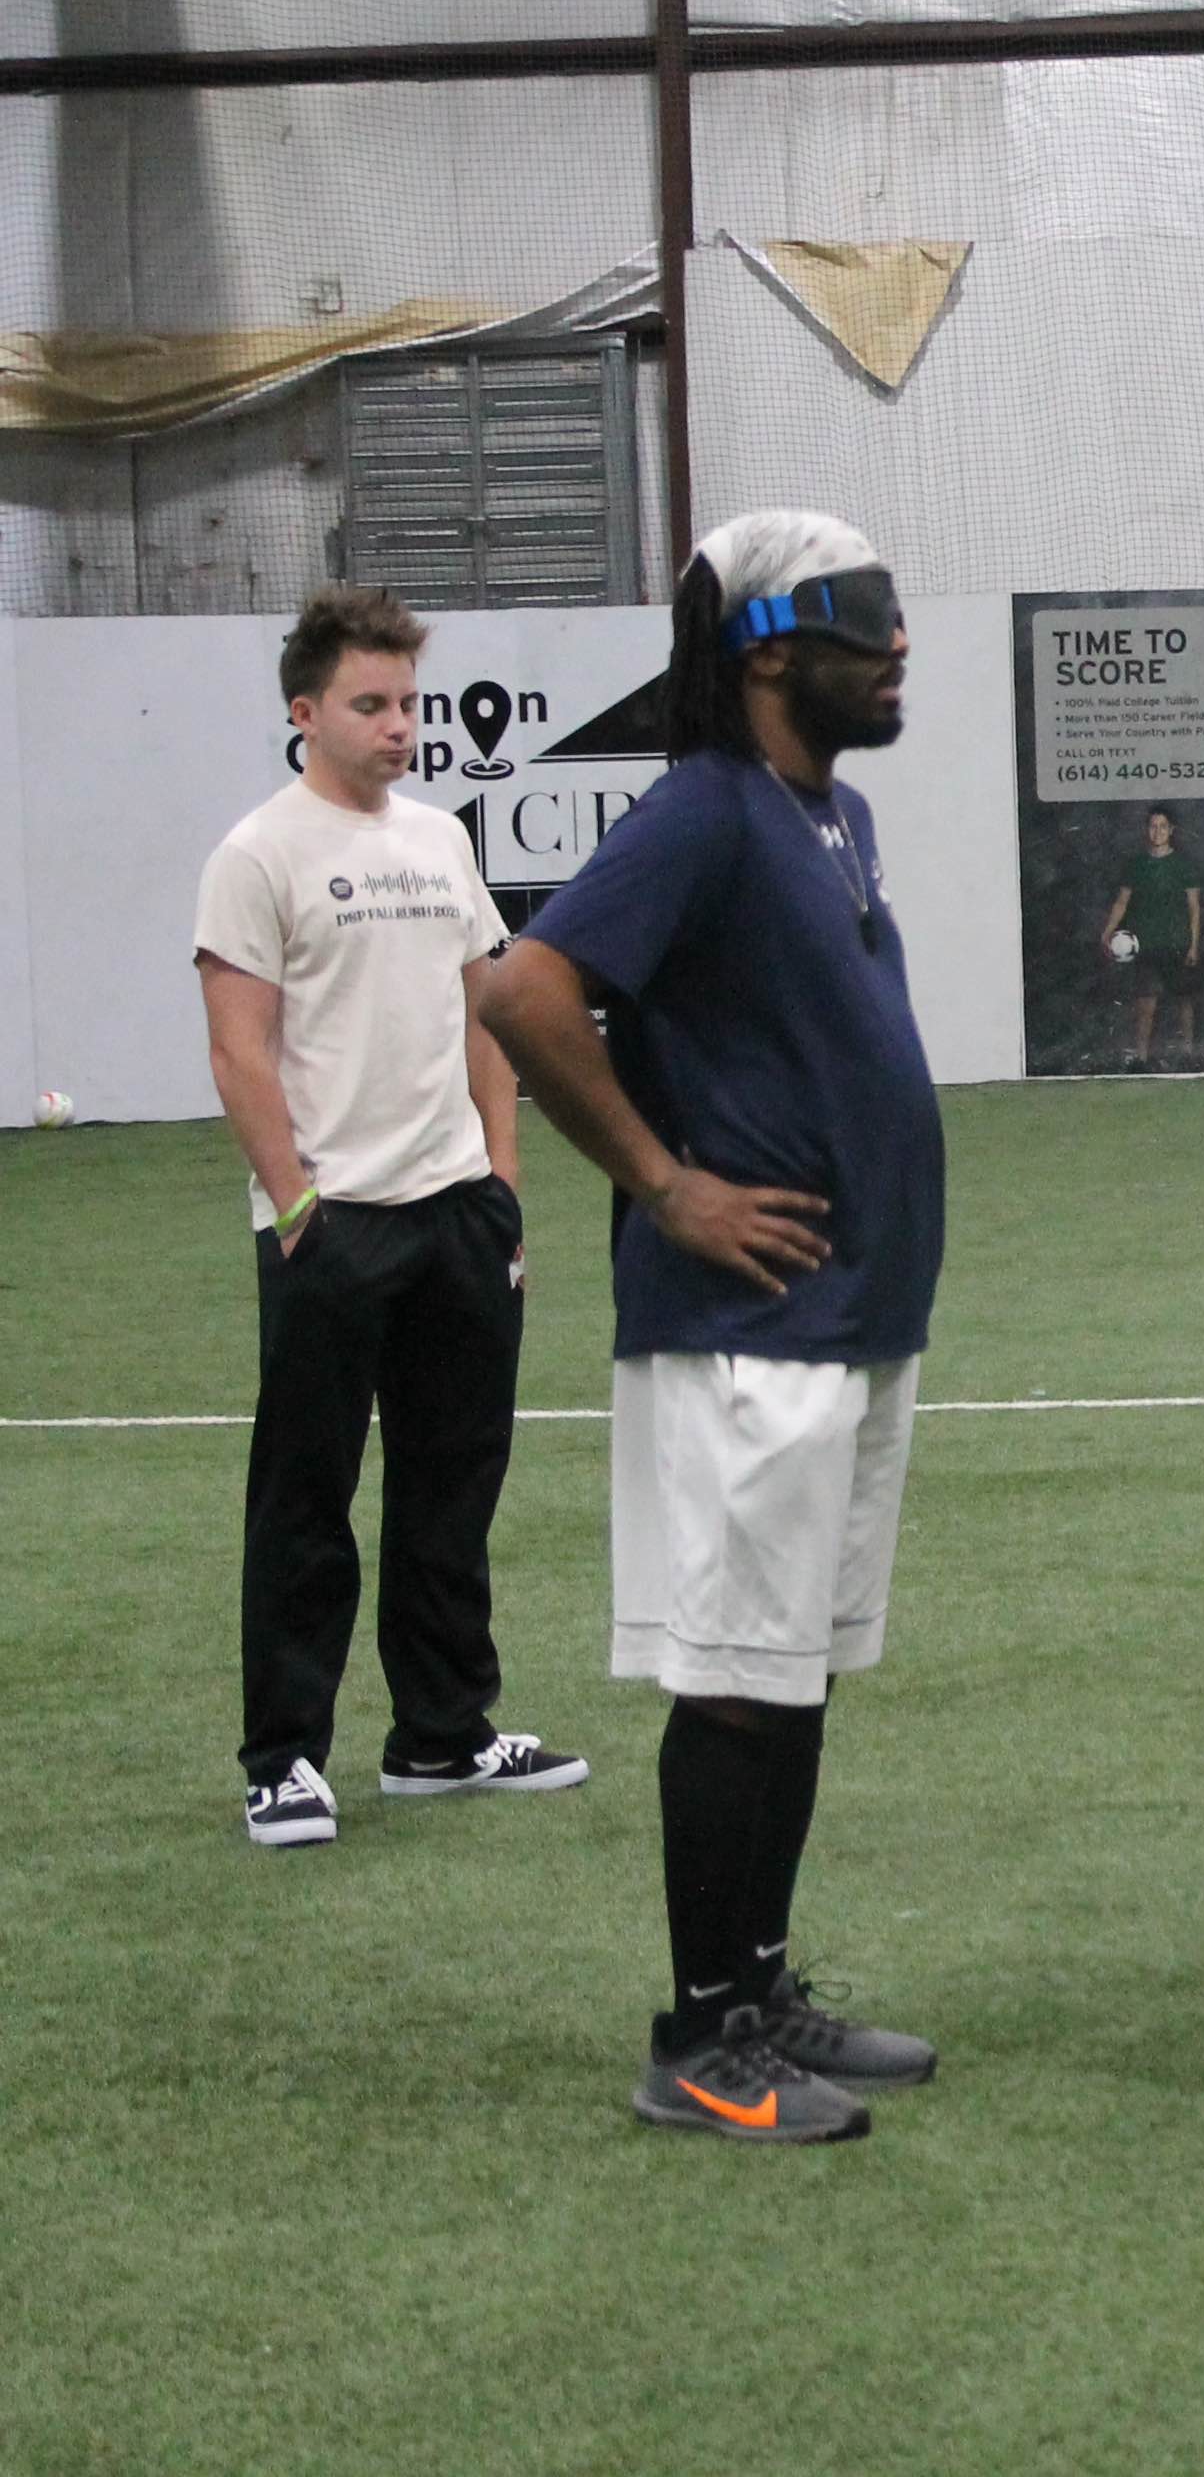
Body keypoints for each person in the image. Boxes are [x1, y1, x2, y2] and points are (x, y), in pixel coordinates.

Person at [482, 509, 950, 2148]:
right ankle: (697, 2037)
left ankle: (759, 1991)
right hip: (747, 1323)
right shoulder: (703, 810)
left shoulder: (830, 816)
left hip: (844, 1314)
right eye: (870, 620)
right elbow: (524, 988)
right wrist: (666, 1182)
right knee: (738, 1683)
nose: (900, 647)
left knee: (796, 1668)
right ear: (770, 646)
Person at [192, 587, 574, 1850]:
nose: (400, 725)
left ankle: (443, 1735)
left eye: (409, 702)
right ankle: (284, 1761)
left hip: (460, 1215)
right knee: (306, 1497)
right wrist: (297, 1202)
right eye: (372, 704)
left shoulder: (442, 839)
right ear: (305, 713)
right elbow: (239, 1054)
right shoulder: (258, 855)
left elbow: (487, 1012)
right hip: (332, 1223)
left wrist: (502, 1179)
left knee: (452, 1486)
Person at [1100, 802, 1204, 1068]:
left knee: (1183, 1000)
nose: (1157, 831)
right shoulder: (1136, 865)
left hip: (1177, 943)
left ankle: (1188, 1054)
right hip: (1145, 945)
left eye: (1162, 826)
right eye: (1152, 826)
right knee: (1145, 1003)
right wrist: (1108, 931)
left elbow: (1194, 908)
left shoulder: (1183, 865)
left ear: (1171, 830)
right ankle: (1142, 1058)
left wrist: (1193, 945)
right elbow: (1122, 902)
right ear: (1147, 829)